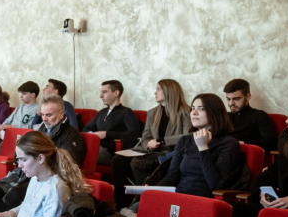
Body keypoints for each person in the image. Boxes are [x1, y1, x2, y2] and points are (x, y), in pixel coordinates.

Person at [0, 131, 93, 217]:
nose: (19, 165)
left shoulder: (55, 189)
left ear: (41, 158)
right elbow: (27, 206)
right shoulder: (35, 178)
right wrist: (8, 215)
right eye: (18, 159)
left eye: (24, 159)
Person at [0, 95, 85, 213]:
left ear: (61, 114)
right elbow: (20, 154)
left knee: (14, 194)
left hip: (48, 178)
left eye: (49, 115)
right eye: (42, 115)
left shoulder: (72, 135)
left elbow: (67, 163)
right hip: (28, 174)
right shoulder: (39, 130)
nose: (44, 119)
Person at [111, 79, 191, 209]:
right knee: (117, 160)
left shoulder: (186, 112)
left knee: (137, 162)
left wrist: (162, 141)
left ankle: (147, 198)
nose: (155, 92)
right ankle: (119, 204)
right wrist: (148, 143)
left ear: (169, 91)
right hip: (150, 151)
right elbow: (145, 137)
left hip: (171, 153)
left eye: (158, 89)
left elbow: (188, 136)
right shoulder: (153, 112)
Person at [154, 93, 243, 199]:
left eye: (201, 109)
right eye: (193, 108)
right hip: (178, 194)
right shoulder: (185, 140)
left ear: (214, 113)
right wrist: (153, 190)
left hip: (203, 200)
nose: (194, 113)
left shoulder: (229, 143)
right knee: (140, 205)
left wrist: (203, 148)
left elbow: (216, 184)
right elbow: (172, 175)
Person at [83, 80, 142, 165]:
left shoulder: (126, 112)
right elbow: (86, 128)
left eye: (105, 92)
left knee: (80, 152)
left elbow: (133, 134)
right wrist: (93, 136)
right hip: (95, 146)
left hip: (111, 152)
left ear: (116, 93)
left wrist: (107, 134)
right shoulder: (102, 112)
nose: (101, 96)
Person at [223, 79, 277, 151]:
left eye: (236, 99)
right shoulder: (225, 117)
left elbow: (271, 142)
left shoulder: (259, 116)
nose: (230, 103)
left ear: (248, 97)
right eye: (228, 99)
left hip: (244, 155)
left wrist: (242, 143)